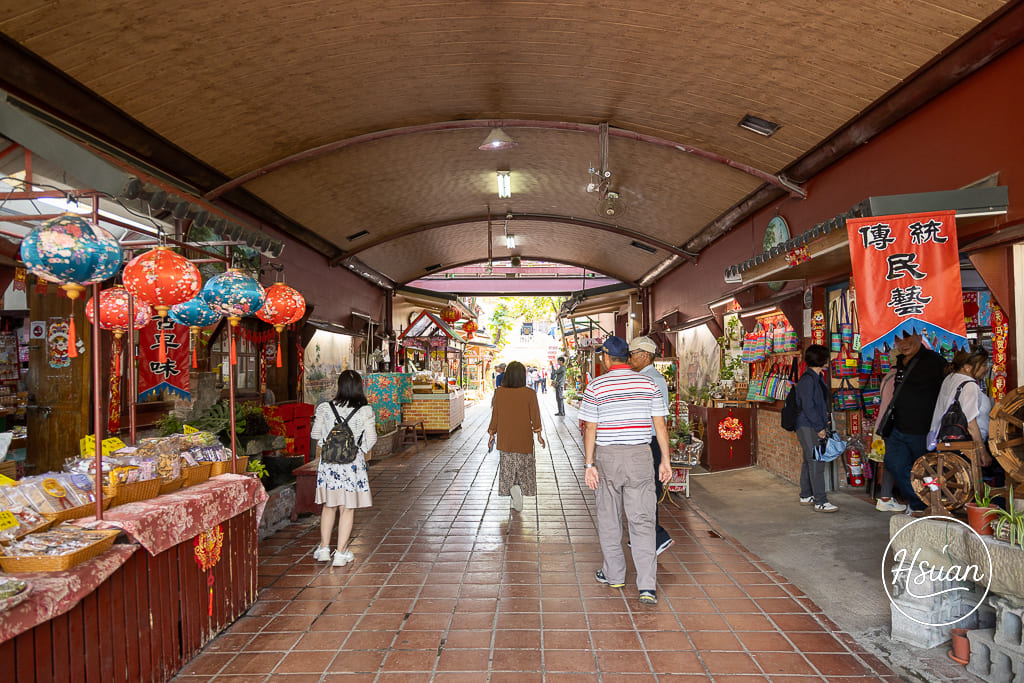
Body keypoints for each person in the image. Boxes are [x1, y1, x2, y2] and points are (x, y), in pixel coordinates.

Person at [580, 336, 671, 606]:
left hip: (608, 456)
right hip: (641, 455)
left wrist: (589, 464)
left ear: (607, 358)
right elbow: (660, 425)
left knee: (609, 517)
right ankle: (647, 586)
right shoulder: (648, 384)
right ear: (628, 357)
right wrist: (665, 460)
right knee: (642, 519)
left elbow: (590, 428)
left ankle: (615, 575)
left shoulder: (596, 386)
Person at [310, 370, 377, 567]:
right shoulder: (365, 410)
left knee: (329, 506)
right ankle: (340, 553)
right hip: (351, 465)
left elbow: (316, 435)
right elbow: (371, 439)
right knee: (347, 508)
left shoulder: (325, 408)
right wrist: (357, 450)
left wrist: (330, 447)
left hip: (329, 464)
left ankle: (323, 549)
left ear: (339, 386)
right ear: (359, 387)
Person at [875, 333, 946, 515]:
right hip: (897, 427)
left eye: (907, 338)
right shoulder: (900, 361)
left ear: (918, 336)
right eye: (898, 339)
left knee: (928, 471)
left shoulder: (934, 361)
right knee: (894, 464)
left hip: (922, 429)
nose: (903, 344)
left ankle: (935, 505)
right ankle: (918, 502)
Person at [627, 336, 675, 551]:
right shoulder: (645, 377)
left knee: (647, 490)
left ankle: (656, 536)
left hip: (650, 441)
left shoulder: (652, 380)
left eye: (632, 354)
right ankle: (642, 535)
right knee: (640, 490)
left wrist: (665, 456)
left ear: (644, 355)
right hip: (646, 440)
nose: (629, 359)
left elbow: (659, 420)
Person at [488, 361, 545, 512]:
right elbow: (535, 417)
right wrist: (539, 435)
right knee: (522, 469)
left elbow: (496, 415)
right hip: (524, 440)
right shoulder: (530, 393)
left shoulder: (500, 393)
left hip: (506, 439)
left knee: (508, 469)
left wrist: (492, 434)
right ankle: (517, 494)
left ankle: (513, 494)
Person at [927, 346, 993, 461]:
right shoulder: (969, 385)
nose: (986, 368)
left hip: (947, 445)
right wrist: (982, 452)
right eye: (983, 365)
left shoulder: (950, 378)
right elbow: (971, 423)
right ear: (967, 367)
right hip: (966, 448)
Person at [794, 344, 838, 513]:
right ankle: (820, 501)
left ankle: (806, 495)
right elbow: (808, 406)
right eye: (826, 357)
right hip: (808, 425)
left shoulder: (817, 377)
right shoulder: (808, 379)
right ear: (821, 359)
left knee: (808, 461)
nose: (829, 359)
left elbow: (817, 404)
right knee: (816, 462)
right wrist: (819, 426)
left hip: (811, 424)